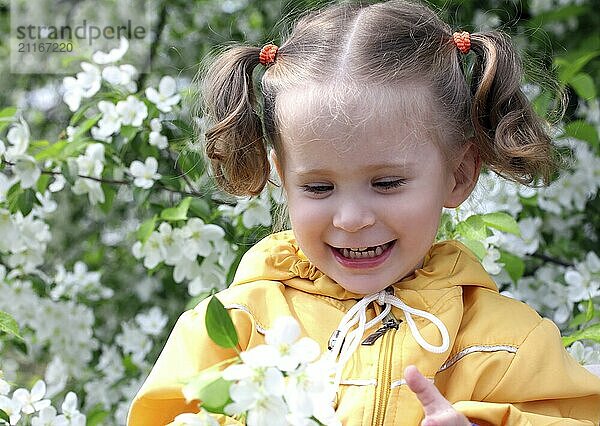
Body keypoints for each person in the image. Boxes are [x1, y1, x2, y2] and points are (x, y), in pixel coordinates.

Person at [128, 0, 600, 425]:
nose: (351, 218)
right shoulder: (233, 329)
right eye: (317, 187)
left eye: (387, 183)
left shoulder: (508, 345)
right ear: (281, 178)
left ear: (458, 175)